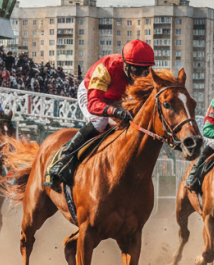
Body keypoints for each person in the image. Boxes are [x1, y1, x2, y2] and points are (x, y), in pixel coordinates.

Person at [47, 39, 155, 190]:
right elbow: (93, 104)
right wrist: (115, 111)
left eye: (145, 71)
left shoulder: (146, 76)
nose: (141, 77)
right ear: (126, 65)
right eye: (136, 71)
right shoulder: (106, 68)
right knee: (100, 121)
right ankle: (64, 158)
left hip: (117, 97)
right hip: (91, 92)